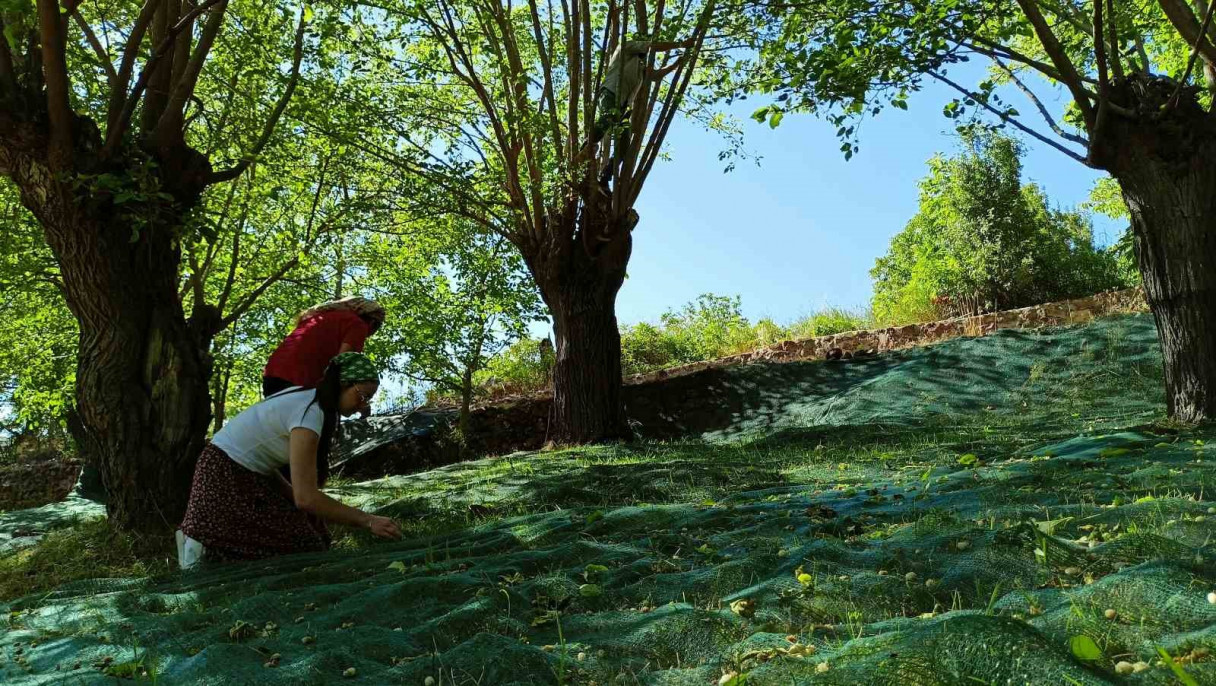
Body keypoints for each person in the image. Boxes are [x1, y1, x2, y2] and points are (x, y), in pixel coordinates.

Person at [176, 352, 401, 567]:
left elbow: (276, 473)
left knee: (315, 534)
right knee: (303, 545)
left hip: (249, 475)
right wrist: (368, 520)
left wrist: (294, 500)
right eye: (363, 396)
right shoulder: (310, 413)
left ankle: (210, 544)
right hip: (224, 476)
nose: (365, 407)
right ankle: (201, 545)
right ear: (343, 384)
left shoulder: (310, 401)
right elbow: (307, 499)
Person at [591, 35, 694, 181]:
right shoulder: (626, 48)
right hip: (610, 93)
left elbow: (655, 75)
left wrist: (675, 64)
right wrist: (681, 44)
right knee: (607, 117)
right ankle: (588, 147)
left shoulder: (640, 67)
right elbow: (652, 45)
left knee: (624, 144)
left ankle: (605, 176)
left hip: (623, 108)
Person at [262, 297, 386, 403]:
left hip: (272, 375)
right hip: (299, 379)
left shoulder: (321, 316)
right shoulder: (358, 324)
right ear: (372, 322)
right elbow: (343, 363)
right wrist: (357, 401)